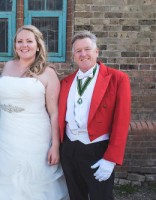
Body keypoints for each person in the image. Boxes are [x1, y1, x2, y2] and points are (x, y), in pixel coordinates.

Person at [0, 25, 69, 200]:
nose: (24, 45)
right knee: (3, 182)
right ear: (15, 46)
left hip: (35, 138)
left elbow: (54, 113)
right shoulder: (8, 66)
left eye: (29, 41)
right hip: (5, 136)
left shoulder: (48, 73)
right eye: (20, 41)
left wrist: (55, 146)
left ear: (38, 45)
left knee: (33, 184)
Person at [58, 30, 131, 200]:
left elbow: (121, 122)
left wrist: (111, 159)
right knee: (76, 196)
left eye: (87, 49)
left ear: (96, 51)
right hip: (69, 148)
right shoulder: (66, 82)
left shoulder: (117, 79)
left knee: (102, 197)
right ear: (73, 55)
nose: (83, 54)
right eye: (78, 51)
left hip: (98, 150)